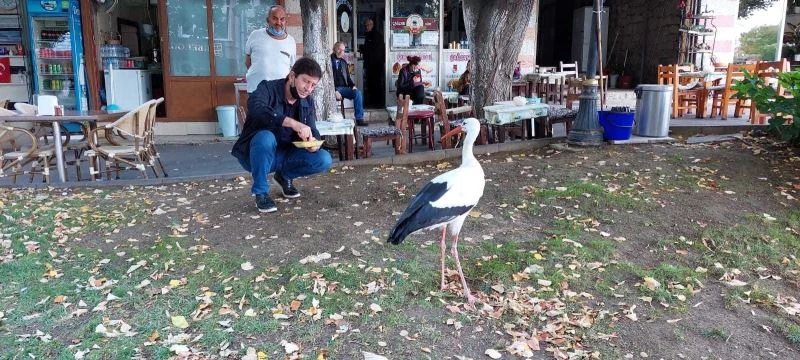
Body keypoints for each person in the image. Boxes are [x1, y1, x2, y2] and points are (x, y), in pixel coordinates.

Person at [232, 57, 332, 213]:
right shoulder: (267, 88)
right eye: (305, 81)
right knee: (265, 137)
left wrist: (313, 142)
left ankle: (284, 176)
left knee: (323, 158)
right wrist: (292, 123)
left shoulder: (307, 101)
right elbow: (256, 107)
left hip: (285, 155)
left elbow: (312, 129)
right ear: (292, 76)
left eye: (313, 85)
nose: (308, 89)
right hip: (255, 155)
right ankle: (261, 192)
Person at [244, 5, 297, 93]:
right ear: (268, 20)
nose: (278, 22)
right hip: (256, 90)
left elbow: (291, 67)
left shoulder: (291, 41)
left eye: (282, 19)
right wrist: (259, 74)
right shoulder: (255, 35)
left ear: (285, 21)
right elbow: (247, 61)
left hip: (279, 92)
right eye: (275, 18)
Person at [330, 41, 366, 126]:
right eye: (339, 49)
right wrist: (334, 90)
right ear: (335, 49)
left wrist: (353, 86)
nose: (341, 52)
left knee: (357, 93)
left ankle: (359, 119)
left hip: (343, 88)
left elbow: (348, 78)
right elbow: (326, 80)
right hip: (332, 88)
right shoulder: (328, 61)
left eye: (343, 50)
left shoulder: (343, 62)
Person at [361, 18, 384, 107]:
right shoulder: (369, 35)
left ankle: (377, 103)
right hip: (370, 64)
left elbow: (374, 51)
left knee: (376, 84)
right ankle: (372, 102)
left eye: (368, 25)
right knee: (371, 84)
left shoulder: (376, 36)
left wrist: (363, 49)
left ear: (372, 25)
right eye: (365, 25)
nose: (366, 27)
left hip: (375, 65)